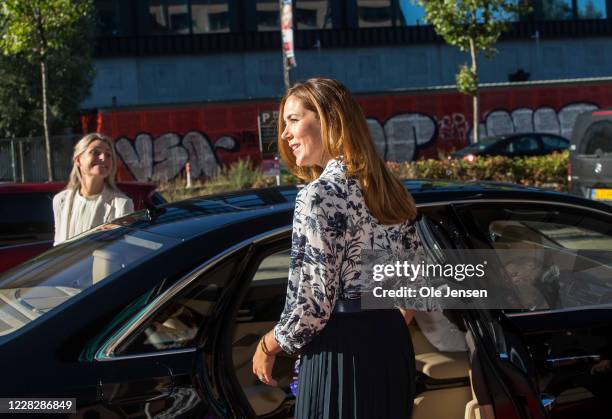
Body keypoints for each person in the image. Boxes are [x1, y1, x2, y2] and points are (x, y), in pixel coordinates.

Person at [251, 78, 422, 418]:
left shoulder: (318, 195)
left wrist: (267, 345)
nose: (284, 134)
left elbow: (312, 307)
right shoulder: (389, 190)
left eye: (293, 120)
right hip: (392, 344)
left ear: (329, 119)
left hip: (341, 351)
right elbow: (414, 283)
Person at [53, 133, 133, 245]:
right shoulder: (60, 200)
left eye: (108, 155)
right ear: (78, 160)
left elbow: (123, 249)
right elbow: (57, 246)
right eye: (95, 152)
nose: (103, 157)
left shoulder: (121, 204)